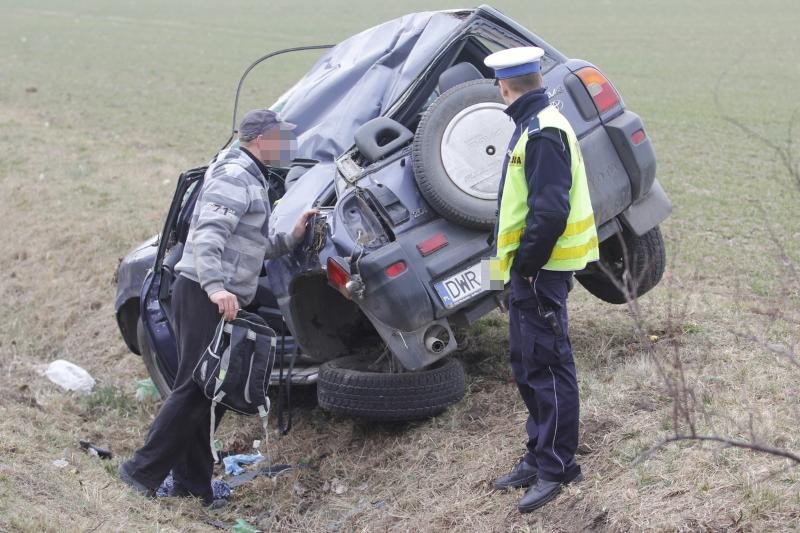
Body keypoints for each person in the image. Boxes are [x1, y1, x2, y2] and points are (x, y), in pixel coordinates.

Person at [118, 109, 317, 505]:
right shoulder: (234, 177)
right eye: (281, 138)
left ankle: (194, 486)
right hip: (203, 292)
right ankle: (138, 473)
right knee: (195, 386)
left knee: (205, 389)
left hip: (212, 292)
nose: (286, 147)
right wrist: (215, 288)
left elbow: (250, 244)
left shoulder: (250, 176)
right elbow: (208, 235)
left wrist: (292, 237)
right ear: (261, 140)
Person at [484, 47, 599, 513]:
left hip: (540, 273)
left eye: (498, 84)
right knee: (529, 363)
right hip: (525, 274)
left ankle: (557, 467)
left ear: (505, 87)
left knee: (549, 366)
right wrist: (508, 273)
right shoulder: (531, 125)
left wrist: (526, 269)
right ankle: (538, 454)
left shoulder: (543, 131)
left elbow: (548, 213)